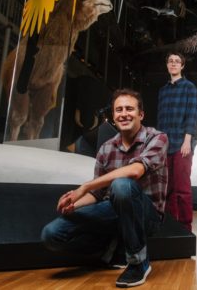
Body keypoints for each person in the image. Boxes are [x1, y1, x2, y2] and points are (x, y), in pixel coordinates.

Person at [41, 89, 168, 288]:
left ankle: (138, 263)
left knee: (122, 185)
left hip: (147, 215)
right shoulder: (106, 148)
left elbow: (135, 171)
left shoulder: (157, 138)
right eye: (119, 110)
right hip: (113, 210)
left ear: (141, 114)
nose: (124, 114)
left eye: (129, 109)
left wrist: (84, 186)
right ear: (113, 116)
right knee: (51, 234)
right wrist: (75, 203)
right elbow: (97, 194)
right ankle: (112, 248)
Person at [157, 52, 197, 231]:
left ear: (182, 66)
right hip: (165, 146)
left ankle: (184, 228)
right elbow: (160, 120)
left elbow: (193, 115)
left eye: (177, 62)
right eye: (170, 61)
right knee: (166, 189)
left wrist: (187, 141)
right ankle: (169, 225)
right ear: (167, 65)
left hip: (182, 145)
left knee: (182, 189)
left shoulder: (190, 88)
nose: (173, 64)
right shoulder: (163, 91)